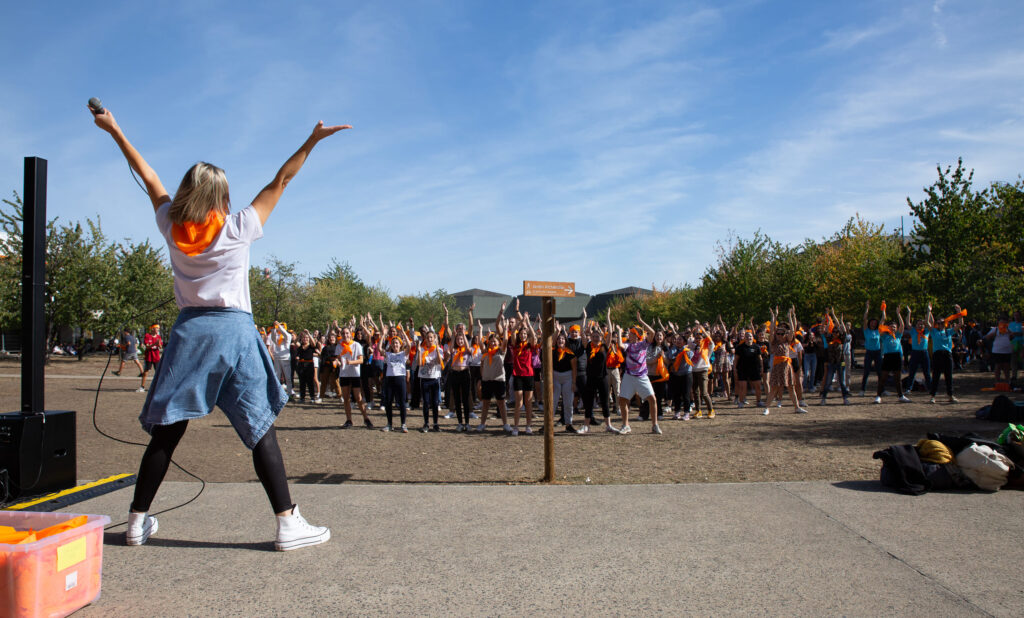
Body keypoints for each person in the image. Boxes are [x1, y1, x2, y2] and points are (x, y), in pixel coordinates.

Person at [93, 106, 347, 550]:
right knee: (259, 425)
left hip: (190, 332)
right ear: (223, 199)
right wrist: (311, 141)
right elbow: (280, 181)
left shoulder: (171, 225)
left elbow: (147, 174)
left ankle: (136, 522)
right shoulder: (238, 227)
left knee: (168, 430)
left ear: (188, 192)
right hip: (233, 331)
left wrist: (115, 129)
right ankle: (287, 523)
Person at [613, 312, 662, 434]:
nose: (628, 334)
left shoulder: (643, 344)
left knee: (652, 399)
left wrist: (641, 322)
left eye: (631, 333)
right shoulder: (628, 346)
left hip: (642, 377)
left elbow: (652, 333)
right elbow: (619, 344)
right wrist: (619, 332)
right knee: (623, 400)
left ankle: (655, 425)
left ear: (636, 336)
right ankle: (625, 425)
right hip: (629, 376)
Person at [337, 326, 373, 428]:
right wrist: (336, 362)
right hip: (344, 374)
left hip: (355, 374)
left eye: (347, 333)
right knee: (346, 398)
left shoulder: (356, 345)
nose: (345, 335)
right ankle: (349, 420)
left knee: (358, 397)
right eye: (343, 333)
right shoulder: (339, 346)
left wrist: (350, 362)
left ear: (351, 333)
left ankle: (366, 418)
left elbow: (361, 360)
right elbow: (338, 359)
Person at [874, 305, 910, 404]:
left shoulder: (898, 335)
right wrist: (883, 312)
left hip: (897, 357)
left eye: (894, 327)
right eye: (891, 326)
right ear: (888, 328)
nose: (893, 328)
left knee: (897, 379)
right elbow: (880, 325)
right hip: (888, 357)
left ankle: (901, 396)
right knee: (883, 377)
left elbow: (902, 325)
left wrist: (898, 314)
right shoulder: (884, 336)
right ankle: (878, 396)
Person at [927, 303, 963, 403]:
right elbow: (927, 322)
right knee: (936, 376)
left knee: (949, 376)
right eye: (939, 323)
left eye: (942, 323)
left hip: (947, 354)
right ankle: (933, 396)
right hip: (937, 354)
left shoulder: (949, 331)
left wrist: (959, 312)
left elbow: (960, 324)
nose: (940, 324)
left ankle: (950, 395)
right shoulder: (934, 331)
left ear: (945, 323)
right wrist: (929, 311)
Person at [140, 324, 163, 392]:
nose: (158, 330)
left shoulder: (158, 337)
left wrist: (159, 344)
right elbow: (147, 346)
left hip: (156, 357)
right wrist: (154, 344)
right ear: (152, 329)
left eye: (158, 329)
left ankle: (159, 387)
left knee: (158, 372)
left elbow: (160, 347)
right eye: (157, 328)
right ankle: (142, 387)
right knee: (146, 372)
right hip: (149, 356)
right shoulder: (147, 336)